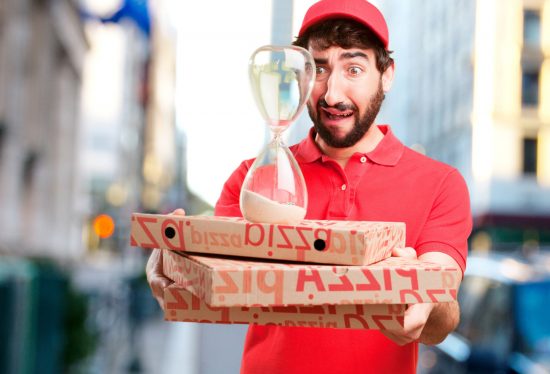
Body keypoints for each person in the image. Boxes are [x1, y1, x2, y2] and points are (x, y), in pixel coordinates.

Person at [147, 0, 472, 372]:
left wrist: (420, 292)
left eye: (353, 68)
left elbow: (443, 316)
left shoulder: (441, 184)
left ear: (387, 74)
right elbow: (219, 284)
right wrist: (175, 263)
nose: (332, 94)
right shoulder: (252, 180)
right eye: (318, 68)